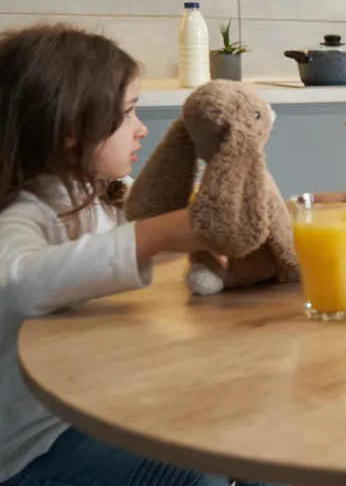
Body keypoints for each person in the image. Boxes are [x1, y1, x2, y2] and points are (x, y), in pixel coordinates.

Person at [0, 25, 264, 486]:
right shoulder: (25, 212)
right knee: (207, 474)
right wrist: (156, 235)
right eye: (128, 114)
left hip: (96, 403)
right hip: (37, 447)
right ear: (69, 130)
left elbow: (120, 250)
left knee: (255, 435)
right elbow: (19, 283)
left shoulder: (103, 192)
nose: (142, 129)